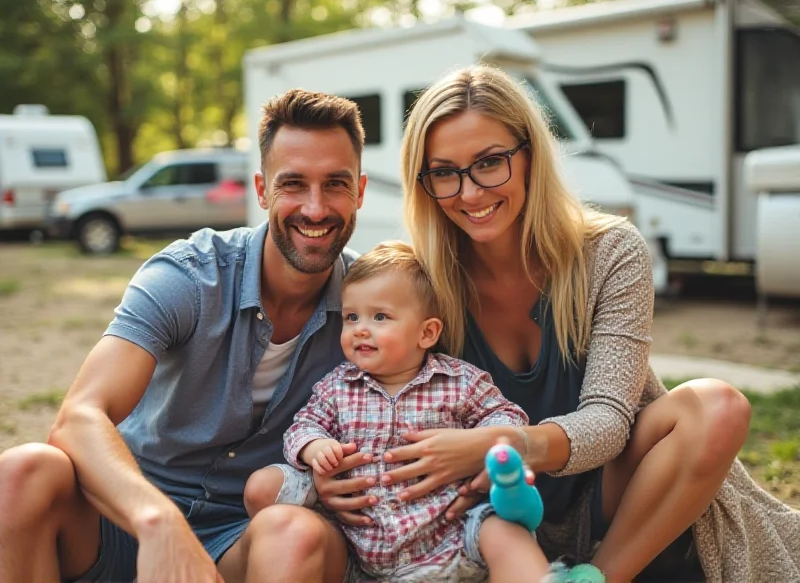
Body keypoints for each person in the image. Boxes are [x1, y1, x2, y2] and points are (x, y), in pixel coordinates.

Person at [308, 65, 800, 583]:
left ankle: (598, 578)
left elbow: (611, 421)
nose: (470, 193)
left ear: (530, 155)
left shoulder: (609, 252)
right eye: (444, 172)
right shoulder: (420, 282)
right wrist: (329, 476)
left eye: (490, 162)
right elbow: (357, 394)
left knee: (717, 405)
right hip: (490, 518)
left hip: (614, 496)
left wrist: (500, 442)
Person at [0, 89, 380, 583]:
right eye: (293, 184)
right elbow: (79, 417)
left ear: (360, 191)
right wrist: (159, 523)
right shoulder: (190, 276)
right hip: (130, 514)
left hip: (244, 538)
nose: (314, 207)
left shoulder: (371, 306)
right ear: (262, 191)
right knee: (23, 471)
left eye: (335, 184)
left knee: (297, 532)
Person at [244, 240, 557, 582]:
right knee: (265, 483)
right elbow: (303, 426)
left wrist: (482, 444)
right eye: (351, 317)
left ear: (427, 333)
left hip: (451, 542)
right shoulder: (337, 386)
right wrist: (315, 447)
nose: (360, 328)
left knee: (504, 533)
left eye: (380, 317)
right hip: (363, 548)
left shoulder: (459, 381)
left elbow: (507, 418)